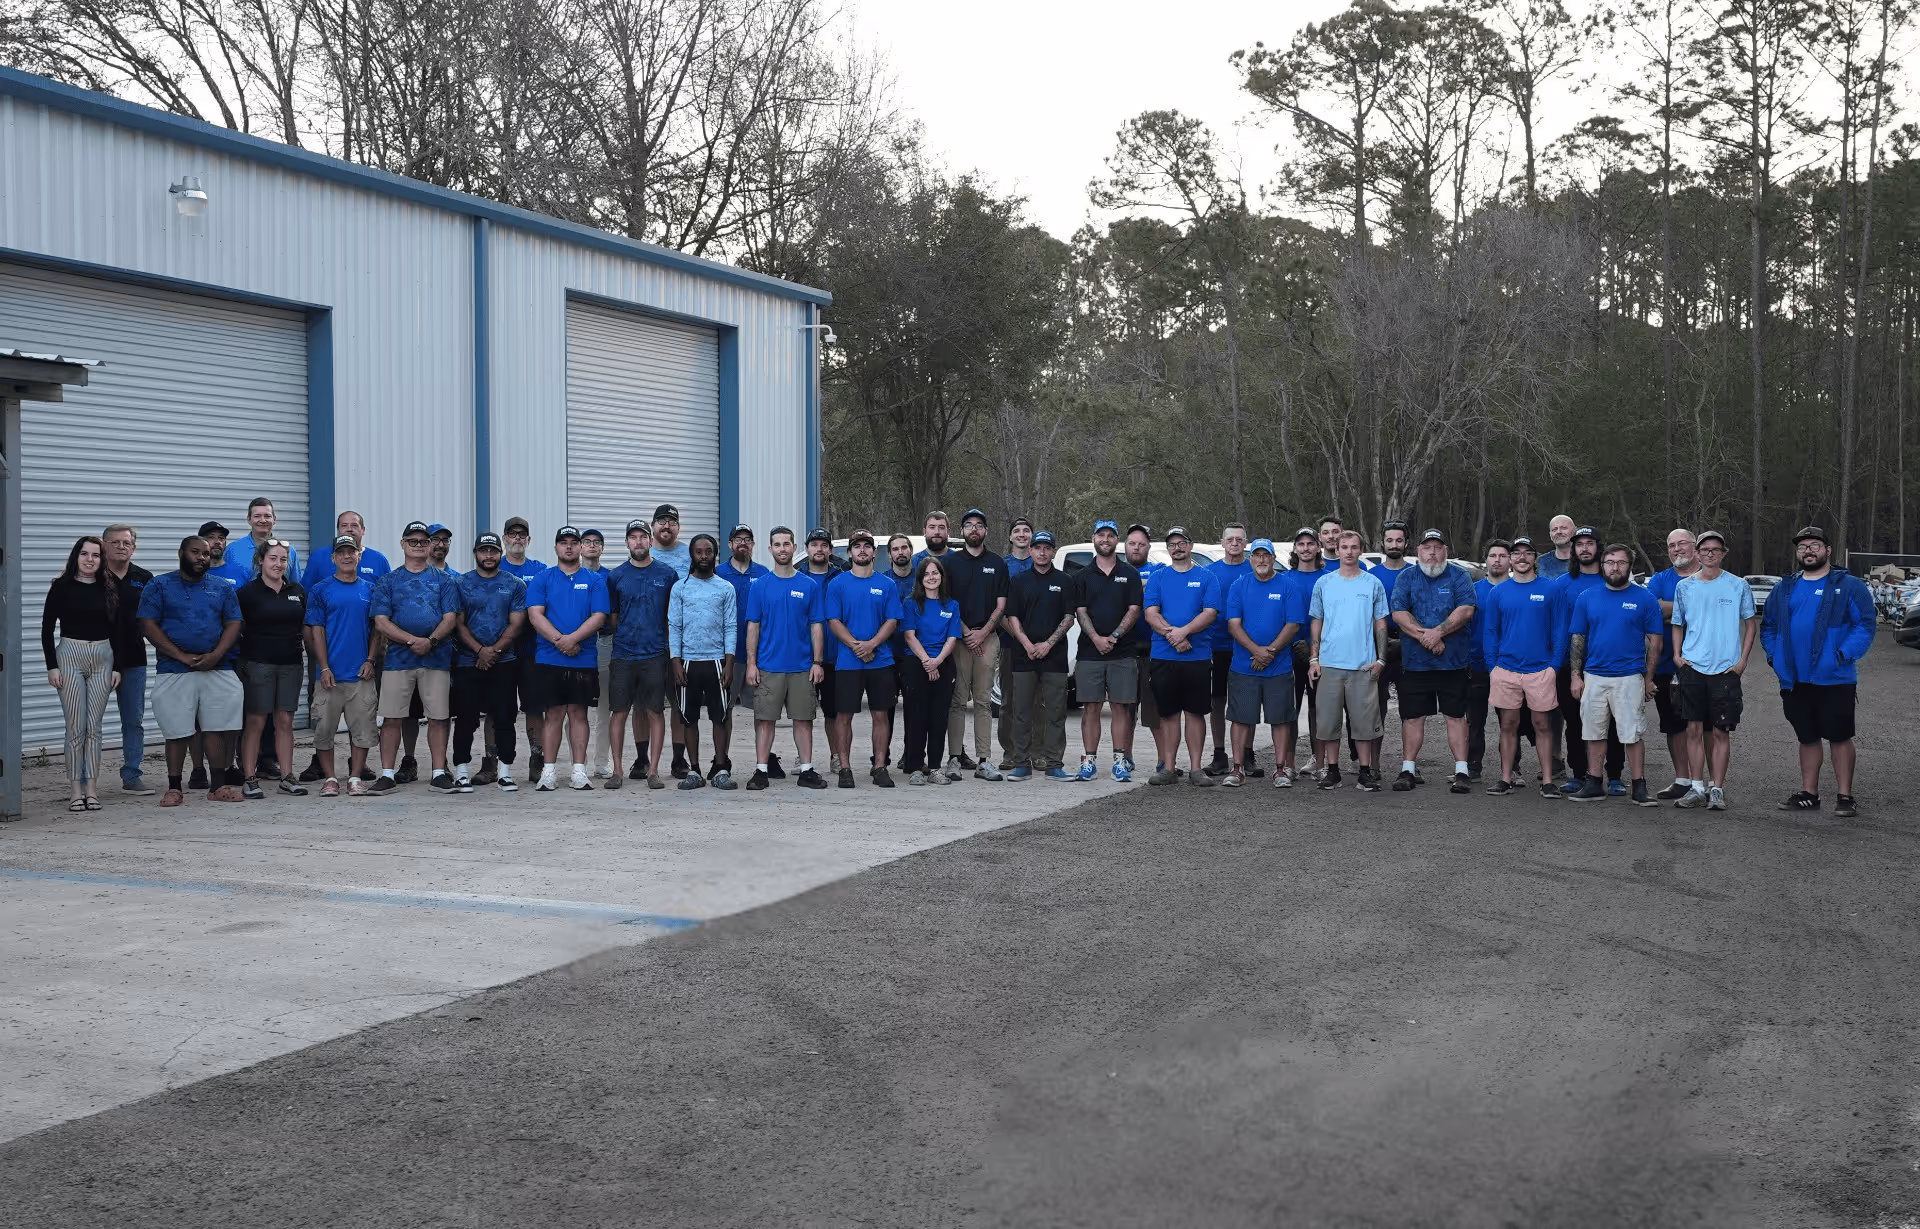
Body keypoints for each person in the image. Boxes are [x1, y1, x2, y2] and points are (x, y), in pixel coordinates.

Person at [1759, 526, 1873, 816]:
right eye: (1803, 547)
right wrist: (1774, 656)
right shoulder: (1785, 587)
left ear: (1828, 550)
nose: (1808, 550)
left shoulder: (1849, 585)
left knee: (1839, 735)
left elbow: (1865, 625)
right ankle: (1809, 793)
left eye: (1814, 545)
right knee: (1807, 736)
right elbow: (1768, 625)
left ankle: (1845, 796)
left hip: (1834, 676)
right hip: (1795, 678)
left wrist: (1843, 653)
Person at [137, 535, 245, 807]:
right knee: (176, 731)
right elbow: (148, 624)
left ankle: (218, 786)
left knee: (217, 728)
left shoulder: (221, 587)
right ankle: (174, 788)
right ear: (181, 553)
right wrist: (181, 656)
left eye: (206, 554)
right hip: (174, 669)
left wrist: (216, 655)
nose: (201, 557)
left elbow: (234, 623)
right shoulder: (159, 585)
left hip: (217, 668)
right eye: (195, 552)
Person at [296, 511, 390, 784]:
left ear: (359, 555)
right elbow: (316, 629)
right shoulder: (320, 589)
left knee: (363, 730)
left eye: (352, 552)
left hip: (361, 672)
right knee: (324, 730)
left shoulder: (369, 589)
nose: (347, 557)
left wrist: (371, 660)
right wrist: (322, 666)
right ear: (333, 558)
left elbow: (377, 628)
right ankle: (330, 779)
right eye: (342, 553)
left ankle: (355, 777)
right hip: (329, 674)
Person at [1567, 544, 1664, 806]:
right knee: (1593, 732)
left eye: (1621, 562)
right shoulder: (1587, 597)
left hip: (1629, 676)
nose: (1615, 567)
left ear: (1629, 566)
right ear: (1602, 565)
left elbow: (1655, 642)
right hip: (1594, 676)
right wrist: (1576, 676)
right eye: (1609, 562)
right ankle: (1594, 783)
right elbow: (1578, 638)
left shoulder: (1645, 599)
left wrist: (1647, 678)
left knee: (1632, 734)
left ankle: (1639, 786)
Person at [1669, 530, 1757, 810]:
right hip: (1692, 667)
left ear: (1723, 553)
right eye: (1704, 549)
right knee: (1693, 730)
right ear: (1696, 553)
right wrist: (1677, 656)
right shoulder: (1685, 587)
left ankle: (1716, 789)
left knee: (1721, 731)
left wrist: (1742, 661)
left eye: (1715, 550)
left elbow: (1750, 624)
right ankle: (1696, 787)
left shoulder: (1738, 585)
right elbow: (1677, 624)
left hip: (1725, 670)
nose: (1709, 554)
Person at [370, 522, 459, 794]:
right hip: (399, 659)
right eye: (413, 540)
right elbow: (381, 621)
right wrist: (411, 640)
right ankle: (387, 774)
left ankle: (439, 773)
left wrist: (430, 641)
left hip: (436, 658)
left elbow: (450, 618)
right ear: (402, 543)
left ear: (431, 545)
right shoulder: (389, 581)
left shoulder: (445, 580)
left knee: (439, 718)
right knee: (392, 717)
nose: (418, 545)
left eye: (423, 541)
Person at [1388, 529, 1478, 794]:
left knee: (1456, 716)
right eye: (1427, 547)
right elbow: (1399, 612)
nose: (1432, 553)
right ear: (1418, 551)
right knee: (1413, 717)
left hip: (1453, 662)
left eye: (1437, 547)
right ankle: (1408, 769)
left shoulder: (1459, 576)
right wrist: (1426, 637)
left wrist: (1438, 632)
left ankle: (1462, 771)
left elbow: (1466, 610)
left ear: (1445, 551)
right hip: (1415, 663)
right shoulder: (1407, 577)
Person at [526, 526, 611, 792]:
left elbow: (599, 616)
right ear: (556, 548)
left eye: (575, 542)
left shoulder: (595, 580)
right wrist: (560, 641)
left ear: (581, 547)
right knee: (553, 714)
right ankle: (548, 772)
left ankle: (579, 771)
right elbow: (535, 615)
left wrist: (573, 639)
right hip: (550, 657)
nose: (569, 547)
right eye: (564, 542)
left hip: (583, 658)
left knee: (578, 713)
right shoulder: (543, 578)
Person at [743, 526, 829, 791]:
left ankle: (806, 770)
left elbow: (816, 626)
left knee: (803, 720)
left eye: (786, 544)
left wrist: (817, 662)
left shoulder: (809, 586)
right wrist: (751, 664)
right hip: (769, 667)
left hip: (802, 667)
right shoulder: (760, 586)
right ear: (770, 550)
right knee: (765, 720)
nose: (782, 549)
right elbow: (753, 627)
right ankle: (761, 771)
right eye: (777, 544)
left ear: (794, 548)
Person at [43, 535, 123, 811]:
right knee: (76, 727)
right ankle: (75, 790)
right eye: (85, 554)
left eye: (96, 555)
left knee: (95, 728)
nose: (90, 559)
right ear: (76, 556)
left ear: (102, 560)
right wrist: (52, 665)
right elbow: (46, 630)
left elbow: (117, 631)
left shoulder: (108, 588)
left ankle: (92, 789)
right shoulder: (61, 588)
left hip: (103, 657)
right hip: (70, 656)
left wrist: (117, 667)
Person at [1481, 536, 1563, 798]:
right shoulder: (1498, 592)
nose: (1522, 557)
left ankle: (1548, 780)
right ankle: (1506, 778)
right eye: (1516, 553)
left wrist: (1554, 666)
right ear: (1511, 559)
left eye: (1528, 552)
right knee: (1508, 724)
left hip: (1541, 669)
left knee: (1542, 724)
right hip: (1506, 668)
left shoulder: (1551, 590)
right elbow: (1491, 631)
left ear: (1535, 558)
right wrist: (1492, 665)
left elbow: (1560, 631)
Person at [1307, 531, 1389, 791]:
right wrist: (1314, 658)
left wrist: (1381, 659)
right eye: (1344, 547)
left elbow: (1380, 622)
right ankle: (1333, 771)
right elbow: (1316, 621)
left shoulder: (1373, 583)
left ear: (1360, 550)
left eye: (1354, 547)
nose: (1349, 551)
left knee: (1364, 724)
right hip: (1330, 664)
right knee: (1329, 723)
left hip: (1363, 666)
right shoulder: (1324, 583)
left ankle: (1365, 771)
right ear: (1336, 550)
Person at [1221, 538, 1305, 789]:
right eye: (1256, 555)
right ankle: (1237, 768)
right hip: (1243, 665)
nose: (1261, 560)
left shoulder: (1288, 586)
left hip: (1278, 667)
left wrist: (1270, 652)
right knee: (1240, 718)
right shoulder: (1239, 585)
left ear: (1273, 558)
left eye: (1266, 555)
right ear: (1250, 560)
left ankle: (1280, 769)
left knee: (1280, 719)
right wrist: (1256, 651)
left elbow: (1293, 624)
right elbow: (1233, 624)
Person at [824, 530, 902, 788]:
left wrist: (873, 644)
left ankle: (879, 766)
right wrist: (857, 646)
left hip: (881, 661)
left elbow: (892, 620)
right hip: (848, 662)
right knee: (843, 715)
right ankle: (845, 768)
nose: (861, 550)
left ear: (873, 552)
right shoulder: (837, 584)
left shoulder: (887, 585)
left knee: (881, 715)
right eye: (856, 546)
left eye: (866, 546)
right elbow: (834, 621)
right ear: (849, 553)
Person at [1551, 527, 1626, 795]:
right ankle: (1579, 774)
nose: (1584, 548)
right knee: (1575, 722)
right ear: (1573, 550)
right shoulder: (1562, 584)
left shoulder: (1613, 582)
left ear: (1599, 548)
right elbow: (1557, 627)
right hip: (1569, 665)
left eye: (1589, 543)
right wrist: (1556, 664)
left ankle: (1615, 775)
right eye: (1579, 544)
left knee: (1613, 721)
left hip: (1608, 663)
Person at [1143, 527, 1219, 787]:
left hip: (1196, 656)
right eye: (1172, 544)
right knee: (1168, 714)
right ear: (1167, 548)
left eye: (1182, 542)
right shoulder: (1158, 577)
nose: (1177, 547)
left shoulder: (1207, 577)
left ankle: (1197, 769)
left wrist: (1184, 632)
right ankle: (1169, 768)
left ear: (1190, 545)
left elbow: (1210, 612)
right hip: (1164, 656)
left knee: (1196, 713)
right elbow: (1151, 613)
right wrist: (1172, 636)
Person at [451, 532, 527, 793]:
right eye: (484, 551)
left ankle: (505, 772)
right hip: (466, 662)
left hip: (504, 661)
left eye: (493, 551)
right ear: (476, 553)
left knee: (504, 718)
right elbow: (457, 624)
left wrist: (493, 651)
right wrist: (479, 651)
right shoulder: (461, 583)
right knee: (465, 718)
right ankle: (461, 771)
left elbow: (517, 624)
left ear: (500, 553)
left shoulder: (515, 584)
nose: (489, 556)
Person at [606, 519, 677, 790]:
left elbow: (671, 617)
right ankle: (618, 770)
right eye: (632, 537)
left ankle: (654, 771)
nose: (638, 541)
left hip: (655, 654)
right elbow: (613, 618)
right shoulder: (616, 576)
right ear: (626, 542)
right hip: (623, 654)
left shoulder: (667, 575)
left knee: (655, 711)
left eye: (642, 537)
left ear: (651, 541)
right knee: (619, 712)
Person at [1072, 519, 1143, 782]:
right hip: (1089, 654)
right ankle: (1088, 761)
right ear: (1093, 538)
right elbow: (1080, 611)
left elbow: (1134, 609)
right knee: (1091, 707)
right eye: (1100, 535)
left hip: (1122, 652)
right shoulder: (1081, 575)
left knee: (1120, 708)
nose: (1105, 539)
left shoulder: (1130, 574)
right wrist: (1096, 638)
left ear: (1117, 540)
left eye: (1110, 535)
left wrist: (1112, 637)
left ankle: (1120, 761)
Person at [236, 539, 308, 798]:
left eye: (283, 559)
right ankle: (249, 777)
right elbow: (236, 629)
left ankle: (287, 777)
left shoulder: (297, 590)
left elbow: (305, 627)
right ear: (260, 561)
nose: (279, 564)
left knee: (285, 720)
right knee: (256, 720)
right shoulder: (247, 593)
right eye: (273, 559)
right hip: (258, 665)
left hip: (291, 664)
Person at [667, 533, 737, 790]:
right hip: (688, 662)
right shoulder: (680, 588)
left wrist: (729, 662)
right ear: (692, 555)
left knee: (720, 717)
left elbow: (731, 626)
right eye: (699, 552)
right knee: (688, 718)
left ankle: (720, 768)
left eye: (708, 551)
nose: (704, 556)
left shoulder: (725, 588)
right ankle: (694, 770)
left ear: (715, 554)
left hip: (717, 661)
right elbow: (674, 626)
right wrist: (676, 661)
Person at [1004, 530, 1075, 781]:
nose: (1042, 552)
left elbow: (1069, 617)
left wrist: (1048, 644)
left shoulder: (1066, 581)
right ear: (1031, 551)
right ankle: (1021, 763)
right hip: (1024, 657)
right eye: (1038, 548)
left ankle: (1054, 763)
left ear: (1053, 551)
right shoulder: (1019, 581)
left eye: (1047, 548)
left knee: (1055, 712)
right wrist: (1026, 643)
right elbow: (1012, 617)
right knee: (1021, 711)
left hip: (1054, 658)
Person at [942, 508, 1006, 781]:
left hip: (988, 638)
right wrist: (968, 633)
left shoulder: (997, 563)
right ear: (963, 531)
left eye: (979, 525)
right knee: (957, 701)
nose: (974, 530)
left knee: (983, 701)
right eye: (969, 525)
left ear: (986, 531)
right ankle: (954, 758)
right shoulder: (951, 563)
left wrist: (983, 633)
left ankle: (984, 760)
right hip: (958, 638)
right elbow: (946, 602)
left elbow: (1001, 605)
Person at [1644, 529, 1702, 800]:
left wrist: (1671, 612)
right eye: (1671, 545)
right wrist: (1692, 608)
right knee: (1673, 724)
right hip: (1667, 665)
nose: (1677, 549)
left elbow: (1715, 611)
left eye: (1682, 544)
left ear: (1695, 546)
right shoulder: (1660, 579)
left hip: (1706, 665)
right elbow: (1652, 609)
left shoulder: (1710, 575)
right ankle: (1682, 779)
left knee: (1706, 726)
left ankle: (1709, 782)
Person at [715, 525, 773, 781]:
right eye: (738, 539)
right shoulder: (717, 574)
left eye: (748, 540)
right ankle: (721, 760)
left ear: (753, 544)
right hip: (725, 656)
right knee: (723, 712)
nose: (743, 543)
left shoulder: (763, 574)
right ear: (730, 544)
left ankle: (765, 761)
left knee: (762, 712)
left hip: (757, 657)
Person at [101, 523, 155, 795]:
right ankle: (86, 779)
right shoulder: (92, 575)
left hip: (134, 659)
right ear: (103, 546)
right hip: (97, 658)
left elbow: (156, 618)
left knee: (133, 720)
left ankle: (132, 775)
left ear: (133, 547)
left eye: (126, 543)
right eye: (115, 542)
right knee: (89, 723)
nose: (121, 547)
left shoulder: (144, 578)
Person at [900, 556, 963, 785]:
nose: (931, 577)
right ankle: (916, 767)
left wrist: (937, 661)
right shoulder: (911, 603)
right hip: (917, 662)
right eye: (926, 574)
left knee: (939, 718)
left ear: (941, 576)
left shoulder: (951, 605)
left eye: (935, 573)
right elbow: (909, 636)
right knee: (917, 717)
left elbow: (952, 637)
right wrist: (927, 661)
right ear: (920, 579)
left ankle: (936, 768)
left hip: (944, 663)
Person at [499, 516, 549, 781]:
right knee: (499, 708)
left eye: (522, 535)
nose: (517, 539)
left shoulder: (540, 570)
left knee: (534, 706)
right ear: (505, 538)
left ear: (528, 540)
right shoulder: (494, 566)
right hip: (502, 651)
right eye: (512, 534)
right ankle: (491, 760)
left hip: (532, 649)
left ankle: (537, 757)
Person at [1361, 521, 1413, 771]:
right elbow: (1364, 614)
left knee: (1410, 712)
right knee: (1375, 709)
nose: (1394, 545)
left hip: (1409, 646)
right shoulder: (1371, 577)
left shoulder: (1415, 573)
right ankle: (1374, 764)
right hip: (1378, 646)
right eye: (1390, 540)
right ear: (1382, 543)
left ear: (1406, 543)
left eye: (1399, 540)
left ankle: (1409, 764)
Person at [1285, 523, 1336, 779]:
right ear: (1295, 548)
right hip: (1290, 652)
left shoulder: (1328, 579)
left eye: (1310, 544)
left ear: (1318, 547)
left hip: (1321, 653)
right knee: (1289, 709)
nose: (1305, 549)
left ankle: (1319, 762)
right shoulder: (1285, 578)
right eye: (1300, 544)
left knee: (1319, 709)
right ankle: (1289, 763)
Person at [1205, 523, 1253, 776]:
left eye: (1239, 539)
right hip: (1216, 646)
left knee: (1246, 700)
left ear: (1246, 543)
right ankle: (1220, 753)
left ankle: (1247, 753)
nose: (1234, 543)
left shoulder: (1254, 569)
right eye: (1229, 539)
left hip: (1246, 646)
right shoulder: (1210, 572)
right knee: (1217, 701)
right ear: (1222, 543)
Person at [1464, 539, 1510, 782]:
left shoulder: (1516, 589)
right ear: (1486, 561)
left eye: (1503, 556)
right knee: (1474, 721)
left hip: (1508, 666)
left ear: (1510, 560)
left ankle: (1513, 768)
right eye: (1493, 556)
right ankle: (1473, 766)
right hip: (1477, 664)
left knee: (1510, 722)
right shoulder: (1474, 590)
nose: (1498, 560)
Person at [1118, 524, 1160, 778]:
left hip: (1154, 651)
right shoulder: (1117, 572)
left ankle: (1164, 760)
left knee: (1156, 711)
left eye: (1141, 544)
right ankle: (1125, 757)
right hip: (1124, 651)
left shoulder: (1158, 573)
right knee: (1125, 709)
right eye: (1132, 543)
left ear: (1148, 547)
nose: (1136, 547)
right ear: (1125, 546)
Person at [996, 517, 1036, 769]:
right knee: (1009, 700)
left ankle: (1039, 752)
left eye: (1026, 530)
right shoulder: (1002, 566)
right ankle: (1010, 752)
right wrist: (1017, 635)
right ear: (1010, 537)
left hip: (1039, 645)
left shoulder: (1042, 562)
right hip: (1010, 642)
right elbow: (997, 607)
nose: (1022, 534)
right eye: (1017, 531)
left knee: (1037, 701)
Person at [802, 528, 844, 766]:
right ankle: (803, 756)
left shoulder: (840, 578)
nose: (819, 549)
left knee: (833, 713)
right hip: (804, 657)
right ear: (807, 548)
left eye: (823, 545)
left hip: (834, 656)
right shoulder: (796, 576)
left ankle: (836, 756)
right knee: (802, 713)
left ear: (830, 549)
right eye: (814, 544)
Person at [576, 527, 616, 779]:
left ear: (602, 548)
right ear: (580, 547)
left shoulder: (610, 578)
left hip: (604, 644)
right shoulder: (569, 574)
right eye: (587, 542)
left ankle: (602, 763)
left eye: (597, 542)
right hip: (576, 647)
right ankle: (576, 762)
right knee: (575, 709)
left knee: (605, 709)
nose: (592, 546)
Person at [879, 533, 919, 770]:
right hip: (888, 654)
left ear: (911, 551)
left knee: (914, 709)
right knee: (886, 708)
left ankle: (911, 755)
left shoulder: (922, 580)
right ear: (890, 554)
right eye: (896, 549)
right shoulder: (883, 582)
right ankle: (882, 756)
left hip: (913, 654)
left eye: (904, 548)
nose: (900, 552)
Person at [301, 510, 390, 587]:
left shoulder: (379, 559)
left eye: (354, 525)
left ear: (363, 530)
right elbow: (306, 593)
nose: (349, 529)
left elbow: (388, 594)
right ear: (338, 530)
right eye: (344, 525)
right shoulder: (318, 557)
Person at [225, 497, 299, 581]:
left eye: (267, 516)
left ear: (274, 519)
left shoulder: (289, 551)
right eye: (257, 516)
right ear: (249, 519)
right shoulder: (232, 550)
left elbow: (296, 586)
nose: (263, 520)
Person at [1536, 514, 1577, 580]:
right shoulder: (1540, 563)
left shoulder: (1586, 560)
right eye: (1554, 529)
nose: (1559, 532)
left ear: (1574, 531)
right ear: (1550, 535)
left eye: (1564, 528)